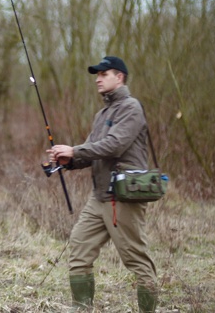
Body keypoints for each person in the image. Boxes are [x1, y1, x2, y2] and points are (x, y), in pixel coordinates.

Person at [47, 56, 158, 312]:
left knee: (135, 259)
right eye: (96, 74)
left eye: (103, 74)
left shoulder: (131, 108)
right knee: (78, 249)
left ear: (119, 77)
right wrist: (67, 161)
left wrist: (74, 150)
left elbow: (115, 144)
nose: (97, 78)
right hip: (99, 197)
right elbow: (91, 151)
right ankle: (81, 307)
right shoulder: (102, 114)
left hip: (123, 196)